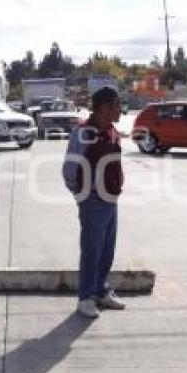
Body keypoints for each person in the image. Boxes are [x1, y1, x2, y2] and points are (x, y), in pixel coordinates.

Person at [61, 86, 126, 319]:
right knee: (92, 251)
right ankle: (86, 298)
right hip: (93, 202)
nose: (120, 109)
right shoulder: (83, 133)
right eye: (117, 105)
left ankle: (101, 291)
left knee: (107, 250)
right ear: (105, 107)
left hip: (110, 201)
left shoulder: (111, 131)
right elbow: (69, 171)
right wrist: (83, 198)